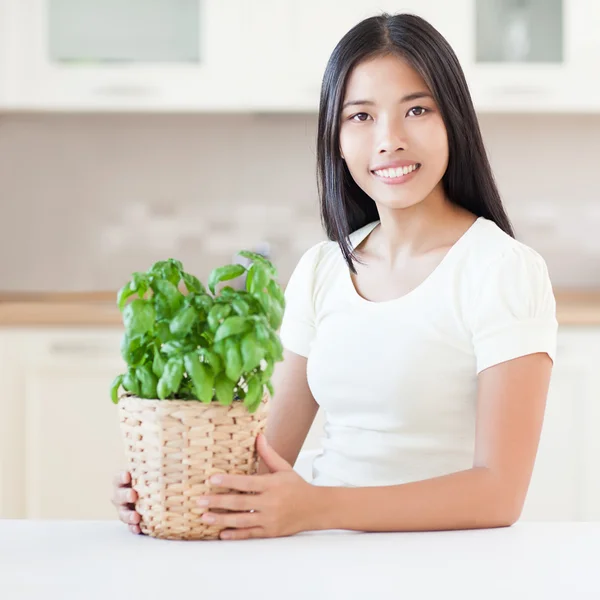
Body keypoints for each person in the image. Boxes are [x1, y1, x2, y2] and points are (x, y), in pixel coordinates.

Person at [112, 12, 557, 539]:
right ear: (336, 138)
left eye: (416, 109)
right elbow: (266, 460)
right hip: (319, 558)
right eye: (361, 117)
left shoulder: (502, 270)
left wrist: (319, 508)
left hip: (444, 565)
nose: (388, 140)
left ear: (453, 120)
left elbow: (499, 494)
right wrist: (166, 492)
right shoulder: (324, 268)